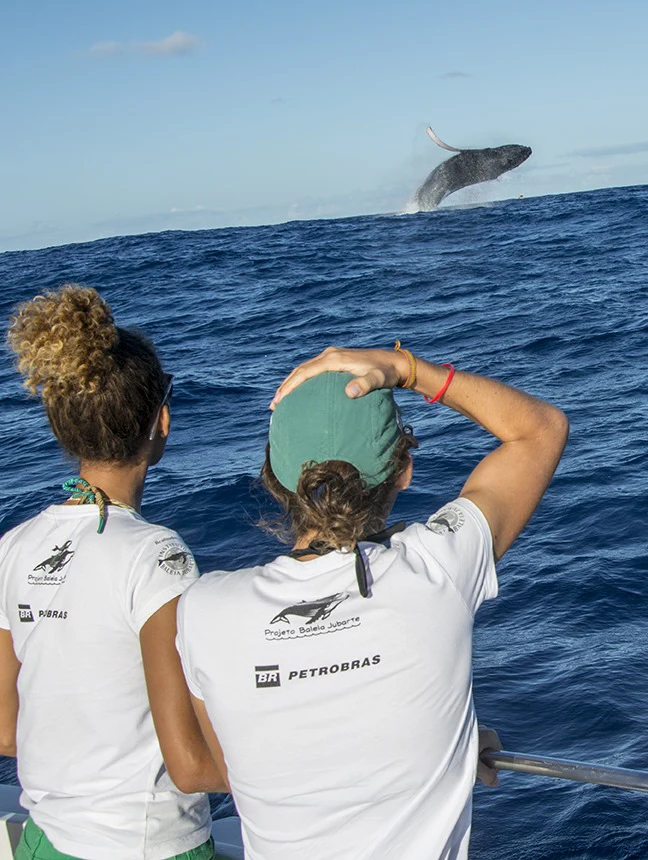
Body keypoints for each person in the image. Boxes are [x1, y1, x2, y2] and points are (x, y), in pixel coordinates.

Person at [176, 344, 568, 860]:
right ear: (403, 468)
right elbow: (540, 428)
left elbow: (233, 769)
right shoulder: (438, 568)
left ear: (273, 480)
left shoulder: (204, 609)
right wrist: (408, 370)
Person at [0, 285, 228, 860]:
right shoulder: (157, 557)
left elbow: (6, 729)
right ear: (162, 422)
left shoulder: (13, 548)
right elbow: (191, 761)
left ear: (62, 429)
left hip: (44, 843)